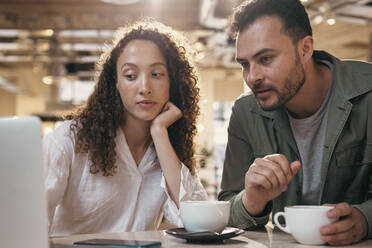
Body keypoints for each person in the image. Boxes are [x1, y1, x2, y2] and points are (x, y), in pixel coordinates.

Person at [218, 0, 372, 245]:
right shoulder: (245, 112)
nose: (252, 77)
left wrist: (366, 219)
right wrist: (252, 200)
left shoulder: (368, 93)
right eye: (245, 64)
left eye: (266, 59)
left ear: (305, 49)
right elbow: (226, 207)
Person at [43, 20, 208, 237]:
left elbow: (199, 222)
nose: (145, 88)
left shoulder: (170, 146)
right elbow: (29, 217)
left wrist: (159, 133)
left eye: (157, 74)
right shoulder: (70, 139)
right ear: (116, 83)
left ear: (173, 82)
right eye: (130, 75)